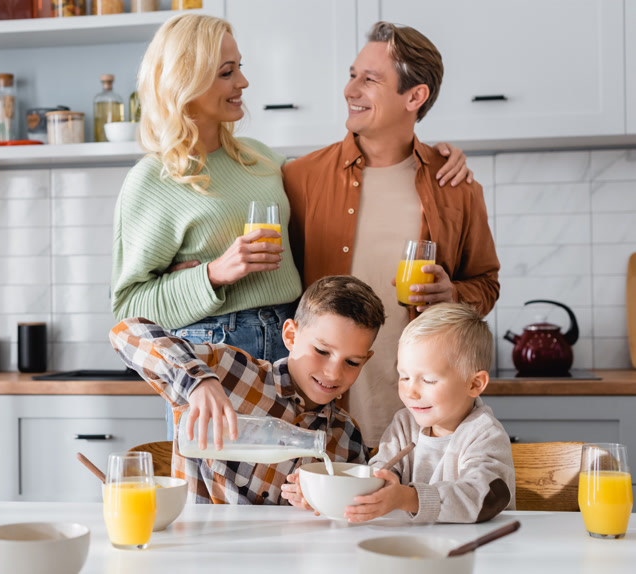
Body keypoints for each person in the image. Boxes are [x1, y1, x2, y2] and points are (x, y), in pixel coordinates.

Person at [111, 14, 472, 439]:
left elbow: (343, 172)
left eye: (240, 67)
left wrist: (435, 155)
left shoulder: (262, 160)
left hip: (294, 347)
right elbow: (128, 312)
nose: (243, 82)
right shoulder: (153, 180)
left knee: (294, 491)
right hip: (215, 356)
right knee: (222, 495)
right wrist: (214, 273)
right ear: (186, 82)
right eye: (228, 72)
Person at [282, 22, 501, 447]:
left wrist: (452, 295)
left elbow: (487, 284)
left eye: (369, 79)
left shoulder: (455, 185)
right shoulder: (300, 177)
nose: (350, 90)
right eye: (351, 75)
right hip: (322, 414)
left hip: (424, 416)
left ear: (414, 97)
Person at [109, 275, 385, 504]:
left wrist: (318, 506)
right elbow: (126, 332)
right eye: (322, 351)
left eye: (352, 362)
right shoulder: (228, 372)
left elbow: (345, 523)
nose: (333, 373)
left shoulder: (346, 439)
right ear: (290, 335)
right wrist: (198, 382)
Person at [285, 304, 515, 523]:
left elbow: (485, 496)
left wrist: (407, 498)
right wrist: (326, 496)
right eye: (404, 377)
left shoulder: (484, 434)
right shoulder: (405, 424)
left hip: (476, 553)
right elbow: (379, 476)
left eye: (428, 380)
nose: (410, 392)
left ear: (475, 384)